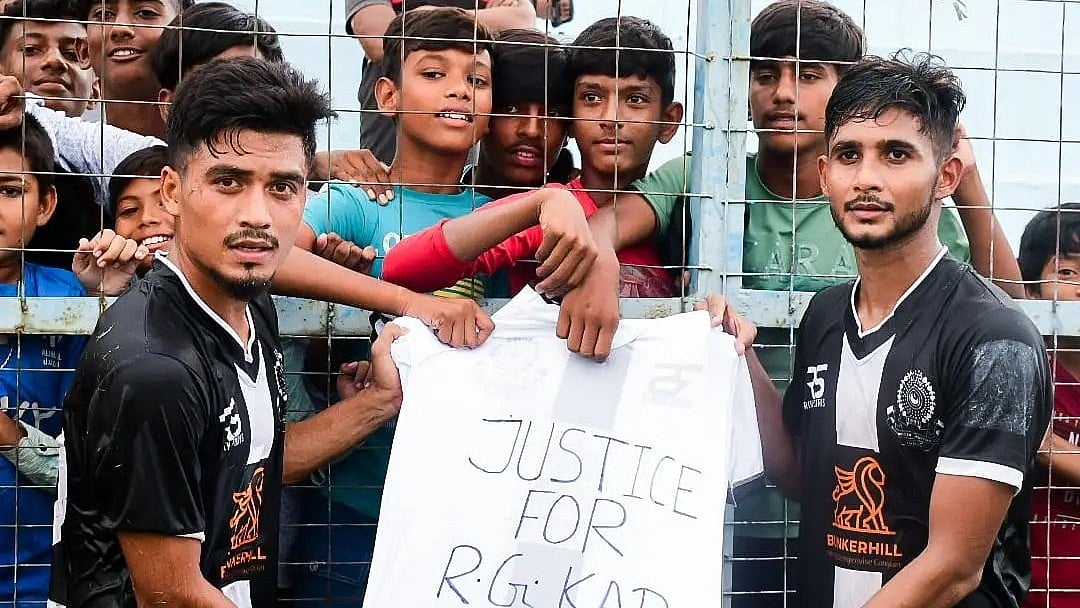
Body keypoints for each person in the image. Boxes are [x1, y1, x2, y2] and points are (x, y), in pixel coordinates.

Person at [48, 56, 414, 608]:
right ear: (172, 193)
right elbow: (171, 595)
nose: (258, 215)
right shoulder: (154, 370)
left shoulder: (243, 299)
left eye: (283, 188)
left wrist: (379, 401)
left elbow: (253, 465)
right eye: (228, 182)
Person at [747, 52, 1052, 607]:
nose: (866, 178)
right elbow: (799, 476)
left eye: (895, 155)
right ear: (824, 176)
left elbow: (953, 567)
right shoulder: (823, 315)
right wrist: (737, 356)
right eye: (848, 155)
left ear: (946, 176)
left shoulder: (994, 339)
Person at [381, 15, 689, 347]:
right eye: (592, 98)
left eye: (636, 99)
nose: (611, 118)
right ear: (570, 118)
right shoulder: (551, 213)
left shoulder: (687, 211)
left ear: (669, 122)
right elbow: (401, 266)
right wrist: (542, 204)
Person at [0, 113, 137, 608]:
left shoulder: (71, 298)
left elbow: (88, 456)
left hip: (39, 563)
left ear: (46, 203)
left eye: (9, 190)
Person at [345, 0, 535, 164]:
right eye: (433, 74)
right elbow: (378, 37)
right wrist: (485, 20)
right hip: (388, 137)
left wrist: (424, 15)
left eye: (475, 79)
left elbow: (523, 21)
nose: (459, 89)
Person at [1018, 203, 1080, 608]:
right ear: (1033, 290)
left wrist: (1042, 444)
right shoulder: (1031, 368)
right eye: (1067, 272)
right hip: (1031, 590)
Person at [77, 0, 194, 138]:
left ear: (185, 36)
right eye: (104, 14)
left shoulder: (219, 151)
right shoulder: (59, 154)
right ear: (84, 52)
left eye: (145, 13)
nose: (120, 28)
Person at [0, 0, 97, 118]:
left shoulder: (116, 136)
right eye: (31, 49)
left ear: (95, 89)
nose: (55, 60)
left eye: (72, 54)